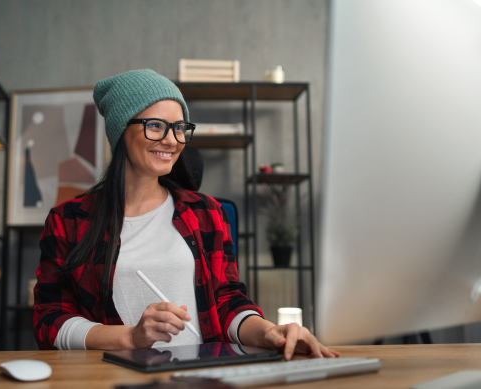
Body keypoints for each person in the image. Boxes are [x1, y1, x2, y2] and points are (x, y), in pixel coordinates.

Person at [33, 69, 339, 360]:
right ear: (121, 130)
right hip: (110, 378)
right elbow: (49, 321)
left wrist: (271, 333)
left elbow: (227, 302)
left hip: (200, 378)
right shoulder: (68, 221)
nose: (172, 140)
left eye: (180, 128)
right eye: (156, 125)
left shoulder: (207, 213)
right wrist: (130, 338)